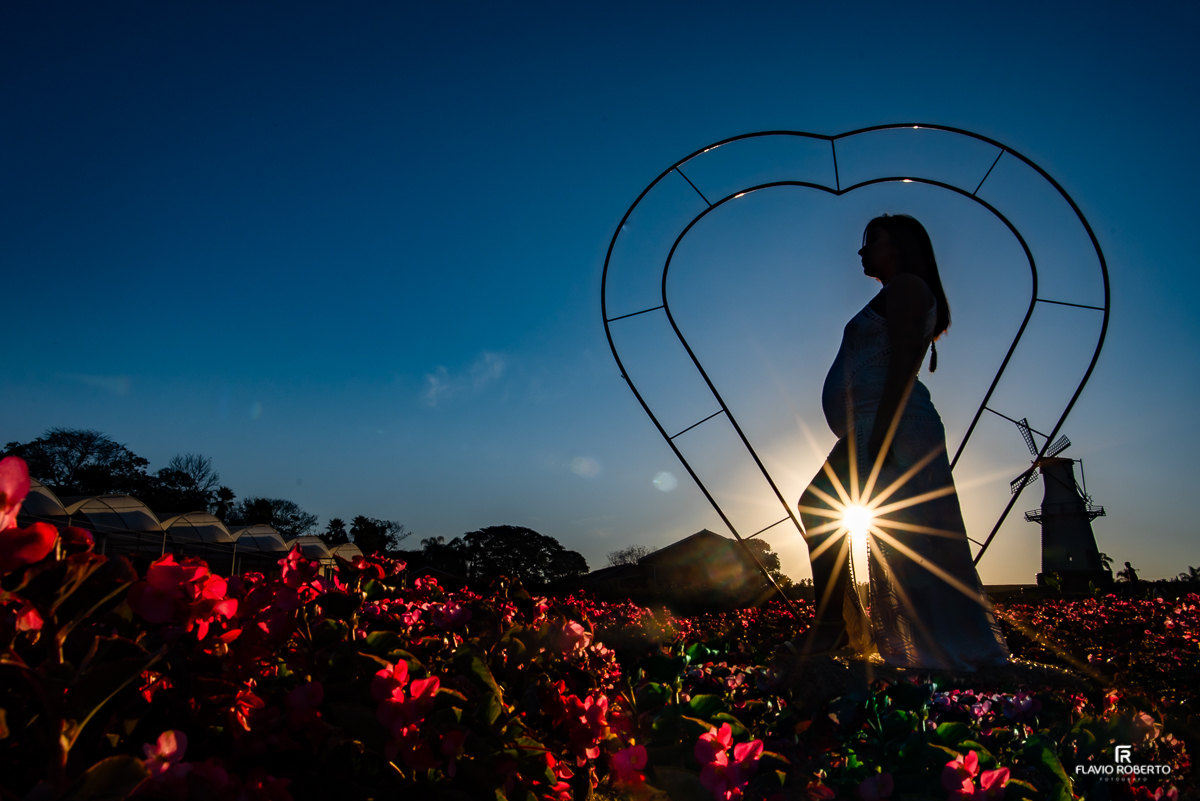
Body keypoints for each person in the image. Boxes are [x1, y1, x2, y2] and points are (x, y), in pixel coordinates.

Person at [795, 214, 1009, 670]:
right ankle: (846, 627)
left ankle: (835, 626)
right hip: (874, 423)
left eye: (872, 241)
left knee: (822, 506)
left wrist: (884, 433)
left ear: (900, 247)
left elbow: (904, 364)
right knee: (900, 530)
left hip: (890, 422)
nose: (862, 250)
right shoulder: (896, 290)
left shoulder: (908, 286)